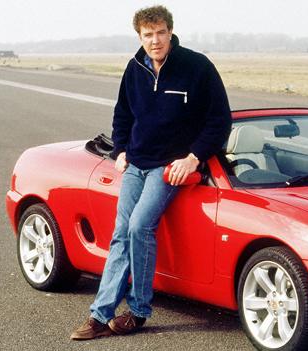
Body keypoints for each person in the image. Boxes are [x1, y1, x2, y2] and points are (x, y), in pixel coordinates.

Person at [70, 5, 231, 340]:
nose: (155, 41)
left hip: (169, 167)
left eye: (160, 33)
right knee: (120, 233)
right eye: (148, 35)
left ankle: (139, 311)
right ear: (140, 37)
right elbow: (123, 114)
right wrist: (121, 150)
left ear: (170, 32)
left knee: (139, 227)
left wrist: (193, 157)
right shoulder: (134, 68)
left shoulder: (197, 67)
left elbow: (219, 121)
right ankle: (100, 316)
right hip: (136, 164)